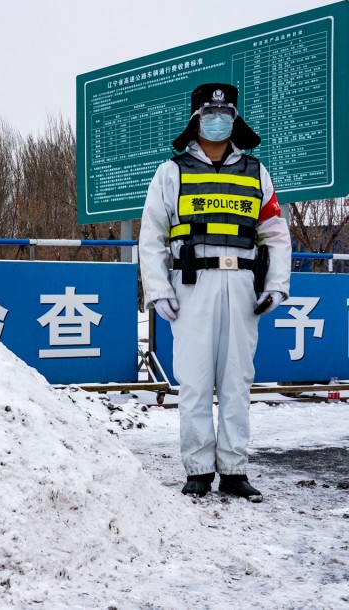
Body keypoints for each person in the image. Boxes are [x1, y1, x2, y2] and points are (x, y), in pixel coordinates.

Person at [139, 83, 291, 501]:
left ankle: (234, 468)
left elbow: (275, 234)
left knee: (237, 381)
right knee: (194, 380)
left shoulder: (257, 171)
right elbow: (151, 235)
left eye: (225, 112)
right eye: (210, 112)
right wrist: (157, 289)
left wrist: (276, 286)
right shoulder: (172, 171)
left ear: (235, 118)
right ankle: (200, 469)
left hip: (243, 285)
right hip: (192, 285)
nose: (217, 119)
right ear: (196, 118)